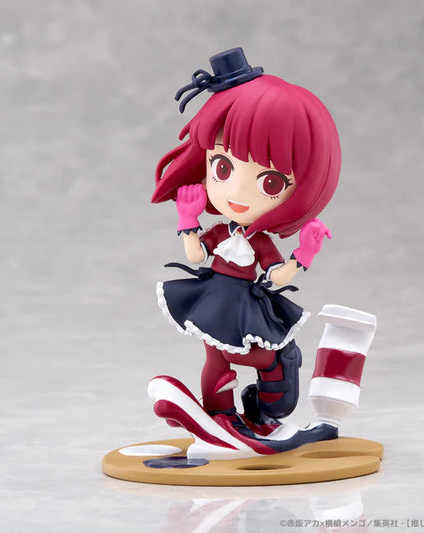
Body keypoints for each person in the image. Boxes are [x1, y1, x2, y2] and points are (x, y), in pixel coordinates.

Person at [151, 48, 341, 436]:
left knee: (266, 358)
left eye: (270, 182)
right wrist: (188, 220)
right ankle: (219, 413)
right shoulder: (220, 233)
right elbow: (196, 255)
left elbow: (276, 277)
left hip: (244, 306)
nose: (236, 192)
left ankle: (264, 408)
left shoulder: (259, 242)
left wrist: (304, 253)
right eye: (222, 167)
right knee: (218, 359)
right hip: (213, 301)